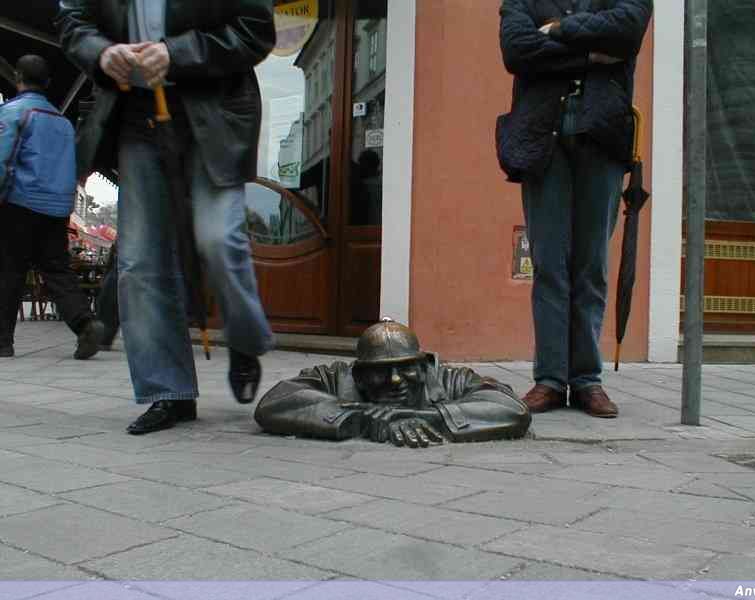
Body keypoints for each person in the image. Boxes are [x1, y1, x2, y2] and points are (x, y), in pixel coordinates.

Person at [57, 1, 277, 434]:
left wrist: (177, 52)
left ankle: (247, 340)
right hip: (136, 118)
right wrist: (102, 53)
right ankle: (167, 392)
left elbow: (255, 30)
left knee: (218, 238)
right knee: (140, 265)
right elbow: (72, 19)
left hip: (214, 114)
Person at [497, 0, 652, 418]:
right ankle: (549, 379)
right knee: (549, 263)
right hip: (540, 137)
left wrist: (557, 30)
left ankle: (586, 380)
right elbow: (516, 50)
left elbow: (627, 31)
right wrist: (589, 53)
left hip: (601, 133)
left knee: (591, 265)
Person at [255, 319, 531, 447]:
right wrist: (364, 417)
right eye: (381, 371)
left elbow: (512, 409)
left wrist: (422, 417)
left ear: (423, 366)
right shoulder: (337, 376)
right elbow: (275, 402)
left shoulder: (451, 378)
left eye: (406, 368)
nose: (396, 380)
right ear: (359, 374)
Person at [0, 55, 105, 360]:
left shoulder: (13, 112)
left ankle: (3, 341)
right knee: (57, 269)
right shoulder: (63, 123)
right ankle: (85, 323)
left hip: (19, 204)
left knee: (9, 270)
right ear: (47, 84)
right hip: (56, 209)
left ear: (18, 78)